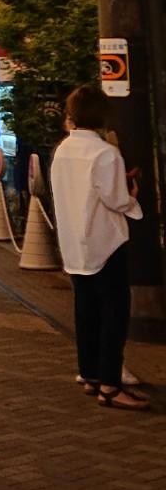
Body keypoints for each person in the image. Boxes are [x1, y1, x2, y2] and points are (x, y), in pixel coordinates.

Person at [50, 85, 147, 410]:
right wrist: (131, 192)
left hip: (74, 244)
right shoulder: (105, 153)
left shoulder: (63, 150)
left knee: (86, 311)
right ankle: (110, 384)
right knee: (114, 314)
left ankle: (90, 374)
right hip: (105, 243)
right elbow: (116, 200)